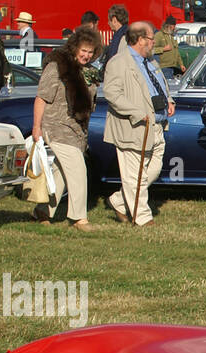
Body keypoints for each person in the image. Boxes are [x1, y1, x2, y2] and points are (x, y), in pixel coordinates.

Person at [32, 26, 102, 231]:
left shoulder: (88, 72)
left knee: (61, 175)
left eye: (91, 52)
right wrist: (37, 127)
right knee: (78, 169)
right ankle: (79, 218)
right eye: (84, 50)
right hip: (56, 126)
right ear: (74, 48)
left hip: (77, 130)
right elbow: (41, 97)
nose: (87, 55)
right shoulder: (57, 67)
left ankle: (42, 211)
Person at [103, 21, 172, 226]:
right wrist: (137, 112)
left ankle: (118, 200)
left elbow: (161, 85)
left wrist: (169, 100)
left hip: (157, 126)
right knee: (136, 176)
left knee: (152, 171)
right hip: (133, 127)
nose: (154, 42)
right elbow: (112, 93)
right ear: (141, 39)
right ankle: (142, 218)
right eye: (151, 38)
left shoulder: (151, 61)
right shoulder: (118, 62)